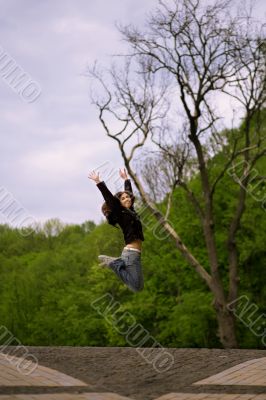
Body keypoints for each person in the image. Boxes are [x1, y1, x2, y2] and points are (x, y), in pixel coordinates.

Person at [88, 168, 144, 292]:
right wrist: (99, 182)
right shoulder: (120, 212)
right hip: (130, 254)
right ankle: (115, 263)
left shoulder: (131, 211)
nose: (127, 199)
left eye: (127, 197)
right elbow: (109, 198)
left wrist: (126, 180)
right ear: (119, 203)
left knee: (138, 287)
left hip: (136, 254)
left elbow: (129, 193)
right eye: (123, 199)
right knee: (136, 287)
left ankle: (116, 263)